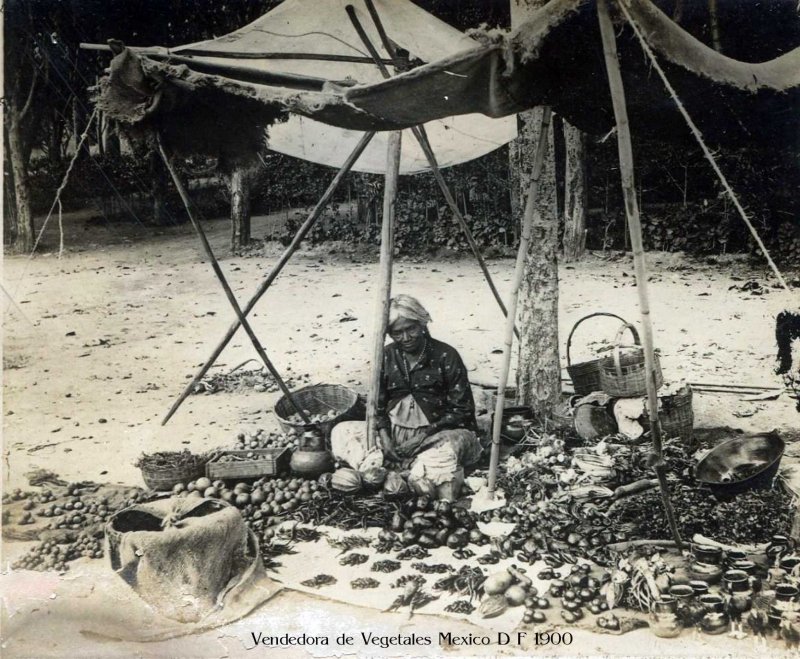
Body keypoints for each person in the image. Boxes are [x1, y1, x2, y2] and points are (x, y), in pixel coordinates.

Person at [331, 295, 483, 499]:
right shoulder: (386, 355)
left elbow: (462, 410)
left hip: (437, 436)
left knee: (445, 454)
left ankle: (393, 474)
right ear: (389, 334)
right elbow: (378, 406)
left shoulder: (446, 355)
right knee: (341, 431)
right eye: (397, 332)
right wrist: (385, 439)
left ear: (422, 323)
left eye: (411, 328)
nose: (406, 337)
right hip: (394, 434)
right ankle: (395, 473)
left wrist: (423, 436)